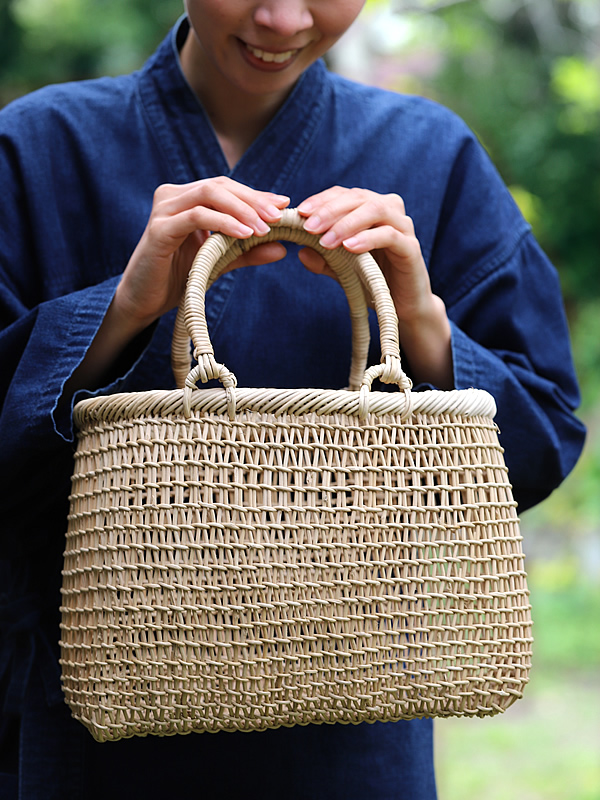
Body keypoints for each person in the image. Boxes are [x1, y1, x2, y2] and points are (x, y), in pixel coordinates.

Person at [0, 1, 586, 798]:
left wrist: (420, 321)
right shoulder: (36, 147)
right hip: (87, 737)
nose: (281, 18)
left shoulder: (431, 154)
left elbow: (545, 435)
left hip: (354, 746)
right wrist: (122, 309)